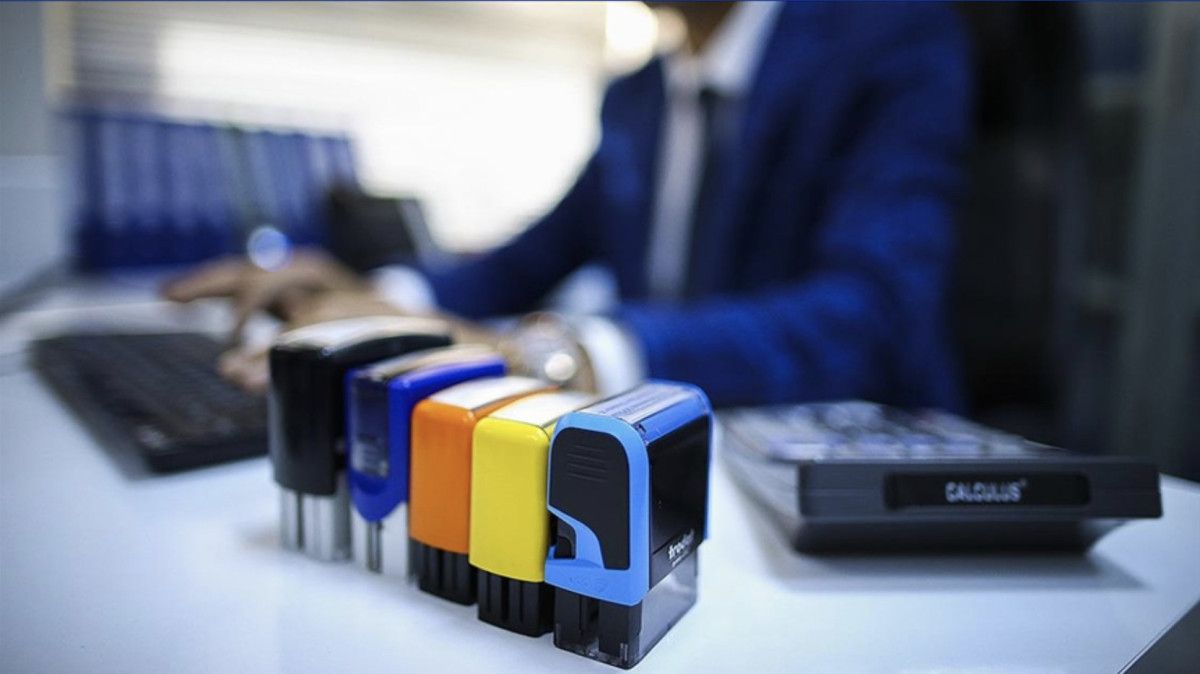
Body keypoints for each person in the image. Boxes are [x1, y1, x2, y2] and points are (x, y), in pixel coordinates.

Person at [165, 2, 973, 409]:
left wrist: (554, 354)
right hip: (666, 450)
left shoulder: (896, 41)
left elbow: (871, 314)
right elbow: (528, 261)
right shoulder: (639, 95)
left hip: (851, 495)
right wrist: (377, 296)